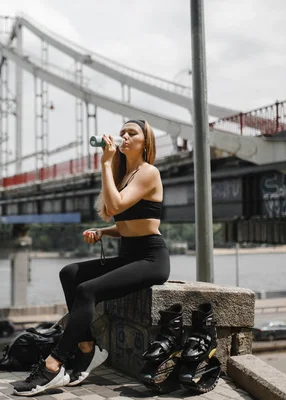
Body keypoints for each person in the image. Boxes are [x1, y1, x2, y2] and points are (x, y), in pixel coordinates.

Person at [13, 119, 171, 397]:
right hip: (129, 254)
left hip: (151, 258)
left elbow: (115, 206)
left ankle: (53, 366)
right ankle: (87, 349)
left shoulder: (149, 172)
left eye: (131, 133)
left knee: (87, 290)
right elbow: (128, 223)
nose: (123, 136)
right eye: (122, 131)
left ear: (145, 142)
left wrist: (105, 164)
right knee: (70, 273)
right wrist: (103, 231)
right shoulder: (125, 176)